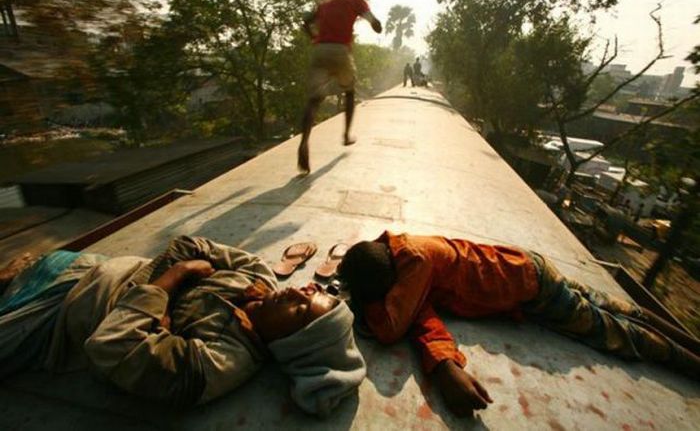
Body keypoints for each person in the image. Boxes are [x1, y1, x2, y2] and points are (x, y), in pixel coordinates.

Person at [338, 231, 700, 417]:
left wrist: (366, 302)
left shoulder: (414, 264)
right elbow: (422, 315)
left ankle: (689, 363)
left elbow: (391, 328)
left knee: (618, 333)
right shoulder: (398, 248)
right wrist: (443, 361)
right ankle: (686, 340)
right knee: (618, 309)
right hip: (527, 266)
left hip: (531, 290)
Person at [0, 236, 366, 415]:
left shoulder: (221, 360)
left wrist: (176, 277)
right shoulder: (258, 274)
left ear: (290, 343)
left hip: (52, 318)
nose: (294, 295)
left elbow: (110, 345)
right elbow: (189, 244)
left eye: (301, 312)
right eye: (306, 292)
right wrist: (158, 307)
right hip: (77, 265)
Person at [297, 0, 382, 174]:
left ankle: (304, 142)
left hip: (320, 50)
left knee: (314, 100)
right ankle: (345, 134)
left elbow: (306, 21)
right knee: (350, 91)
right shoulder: (357, 1)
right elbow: (374, 23)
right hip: (340, 50)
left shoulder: (327, 3)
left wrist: (313, 37)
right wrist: (377, 26)